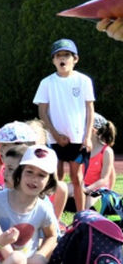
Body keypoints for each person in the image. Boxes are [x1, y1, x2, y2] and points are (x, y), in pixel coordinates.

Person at [0, 145, 61, 264]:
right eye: (29, 172)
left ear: (49, 181)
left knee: (40, 262)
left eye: (41, 175)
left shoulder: (43, 208)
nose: (34, 179)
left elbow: (52, 235)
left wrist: (40, 254)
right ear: (19, 172)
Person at [34, 38, 95, 215]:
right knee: (55, 177)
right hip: (54, 139)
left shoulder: (83, 81)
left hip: (78, 137)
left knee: (77, 177)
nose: (62, 59)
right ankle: (54, 217)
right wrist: (55, 134)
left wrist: (87, 137)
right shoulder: (47, 83)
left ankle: (81, 216)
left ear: (75, 59)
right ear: (53, 60)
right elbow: (42, 111)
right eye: (58, 55)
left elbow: (89, 109)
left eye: (67, 55)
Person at [81, 114, 117, 208]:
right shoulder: (83, 149)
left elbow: (104, 179)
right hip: (84, 186)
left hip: (99, 188)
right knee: (60, 191)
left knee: (88, 205)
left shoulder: (106, 151)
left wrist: (87, 189)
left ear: (93, 130)